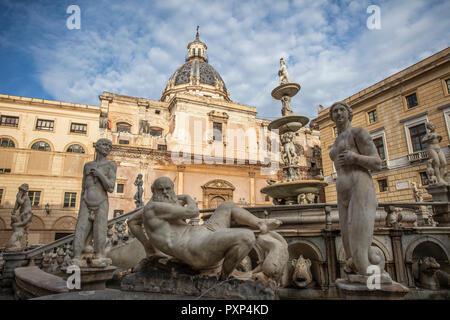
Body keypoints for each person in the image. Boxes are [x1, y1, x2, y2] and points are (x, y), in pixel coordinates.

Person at [135, 177, 282, 280]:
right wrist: (187, 198)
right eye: (162, 190)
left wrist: (149, 248)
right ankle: (224, 277)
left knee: (227, 205)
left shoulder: (156, 205)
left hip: (200, 234)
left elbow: (131, 222)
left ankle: (260, 223)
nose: (166, 193)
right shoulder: (155, 207)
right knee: (247, 237)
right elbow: (193, 212)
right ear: (153, 190)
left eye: (169, 189)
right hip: (193, 247)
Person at [329, 101, 391, 282]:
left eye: (341, 110)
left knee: (360, 250)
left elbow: (377, 162)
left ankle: (377, 285)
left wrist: (355, 157)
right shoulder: (336, 140)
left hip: (360, 188)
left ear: (349, 113)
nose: (338, 113)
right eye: (334, 111)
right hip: (343, 194)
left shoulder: (358, 132)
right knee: (349, 247)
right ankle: (358, 280)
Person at [72, 138, 117, 268]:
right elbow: (83, 186)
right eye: (104, 144)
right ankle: (76, 256)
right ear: (96, 147)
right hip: (86, 200)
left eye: (109, 146)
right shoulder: (87, 165)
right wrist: (82, 200)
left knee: (100, 229)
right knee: (81, 228)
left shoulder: (110, 166)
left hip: (101, 200)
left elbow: (110, 187)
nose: (107, 147)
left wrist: (100, 175)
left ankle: (100, 255)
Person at [5, 184, 33, 252]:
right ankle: (20, 245)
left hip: (26, 212)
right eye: (20, 190)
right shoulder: (22, 195)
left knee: (24, 228)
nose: (20, 191)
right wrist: (14, 209)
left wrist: (18, 196)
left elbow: (20, 202)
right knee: (23, 230)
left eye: (21, 190)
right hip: (24, 212)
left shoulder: (25, 197)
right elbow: (17, 204)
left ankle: (20, 245)